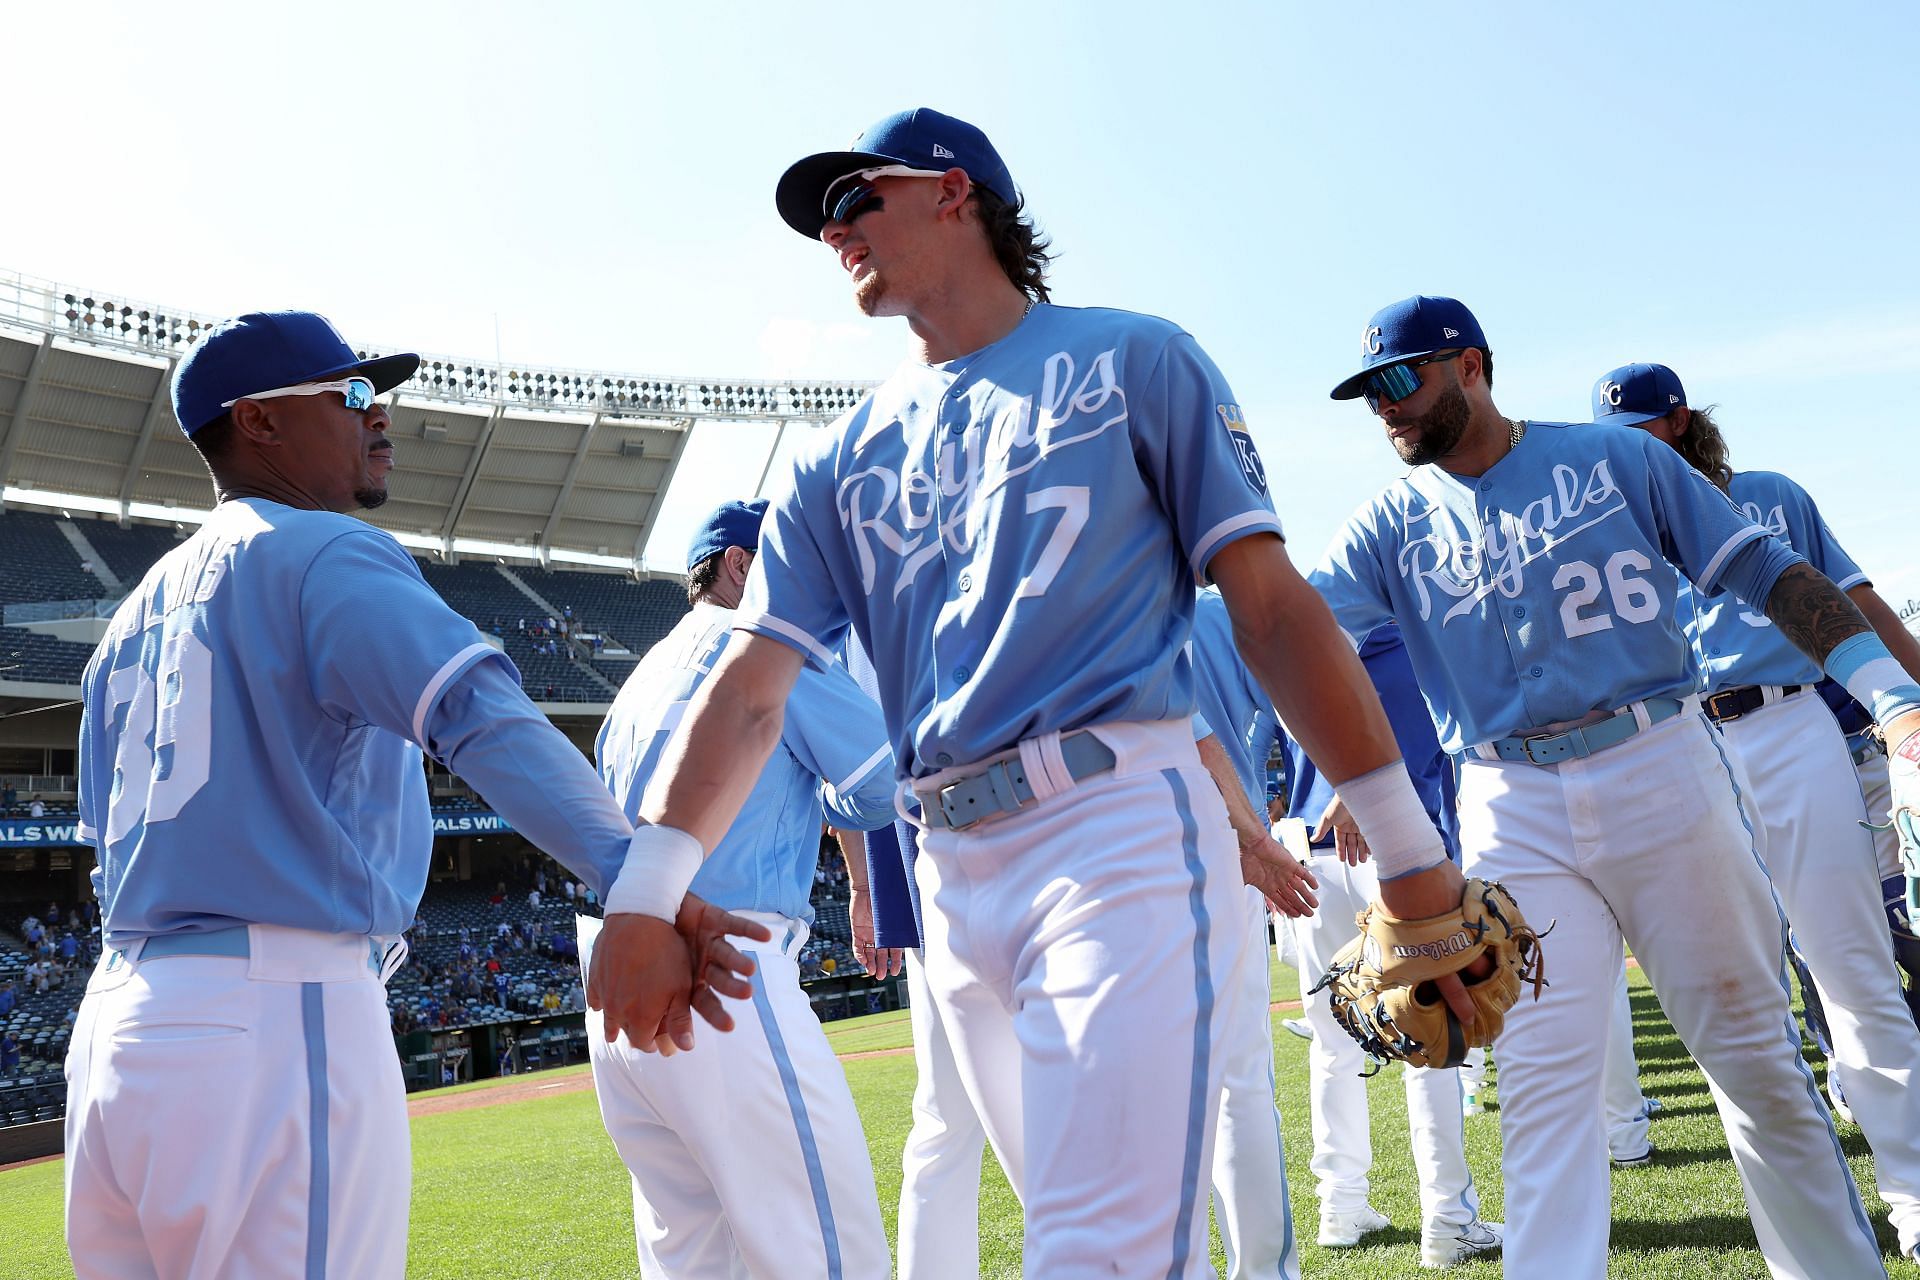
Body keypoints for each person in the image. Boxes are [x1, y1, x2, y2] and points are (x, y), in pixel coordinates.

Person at [593, 108, 1471, 1277]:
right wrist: (649, 891)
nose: (833, 230)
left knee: (1094, 1246)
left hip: (1117, 829)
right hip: (952, 870)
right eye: (823, 218)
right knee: (1111, 1235)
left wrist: (1409, 846)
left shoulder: (1134, 357)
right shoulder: (834, 455)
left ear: (956, 192)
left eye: (858, 199)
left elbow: (1268, 609)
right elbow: (756, 691)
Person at [64, 311, 765, 1280]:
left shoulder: (125, 625)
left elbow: (103, 840)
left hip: (115, 1032)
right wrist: (638, 881)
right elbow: (482, 714)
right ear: (260, 422)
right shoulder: (318, 551)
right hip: (271, 1013)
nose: (379, 413)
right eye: (349, 393)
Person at [1309, 294, 1919, 1279]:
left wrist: (1894, 696)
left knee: (1758, 1063)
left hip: (1660, 763)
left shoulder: (1615, 458)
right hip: (1508, 796)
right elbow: (1301, 643)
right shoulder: (1385, 522)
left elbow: (1767, 570)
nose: (1385, 406)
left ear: (1470, 365)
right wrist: (1368, 809)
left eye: (1401, 378)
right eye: (1368, 392)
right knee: (1546, 1094)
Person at [1592, 360, 1920, 1252]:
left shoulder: (1770, 495)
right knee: (1741, 1000)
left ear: (1679, 422)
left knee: (1850, 965)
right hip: (1676, 746)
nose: (1631, 456)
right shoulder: (1603, 535)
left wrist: (1913, 697)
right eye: (1612, 446)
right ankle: (1812, 1233)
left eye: (1643, 434)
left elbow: (1855, 605)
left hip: (1790, 724)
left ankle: (1916, 1198)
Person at [582, 498, 900, 1278]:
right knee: (827, 1251)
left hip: (622, 982)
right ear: (740, 567)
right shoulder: (763, 649)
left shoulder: (635, 684)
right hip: (726, 972)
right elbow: (886, 780)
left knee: (693, 1258)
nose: (815, 600)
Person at [1274, 620, 1501, 1269]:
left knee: (1332, 1044)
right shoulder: (1407, 626)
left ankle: (1342, 1206)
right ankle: (1448, 1221)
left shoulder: (1302, 630)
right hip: (1394, 843)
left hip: (1313, 847)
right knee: (1433, 1041)